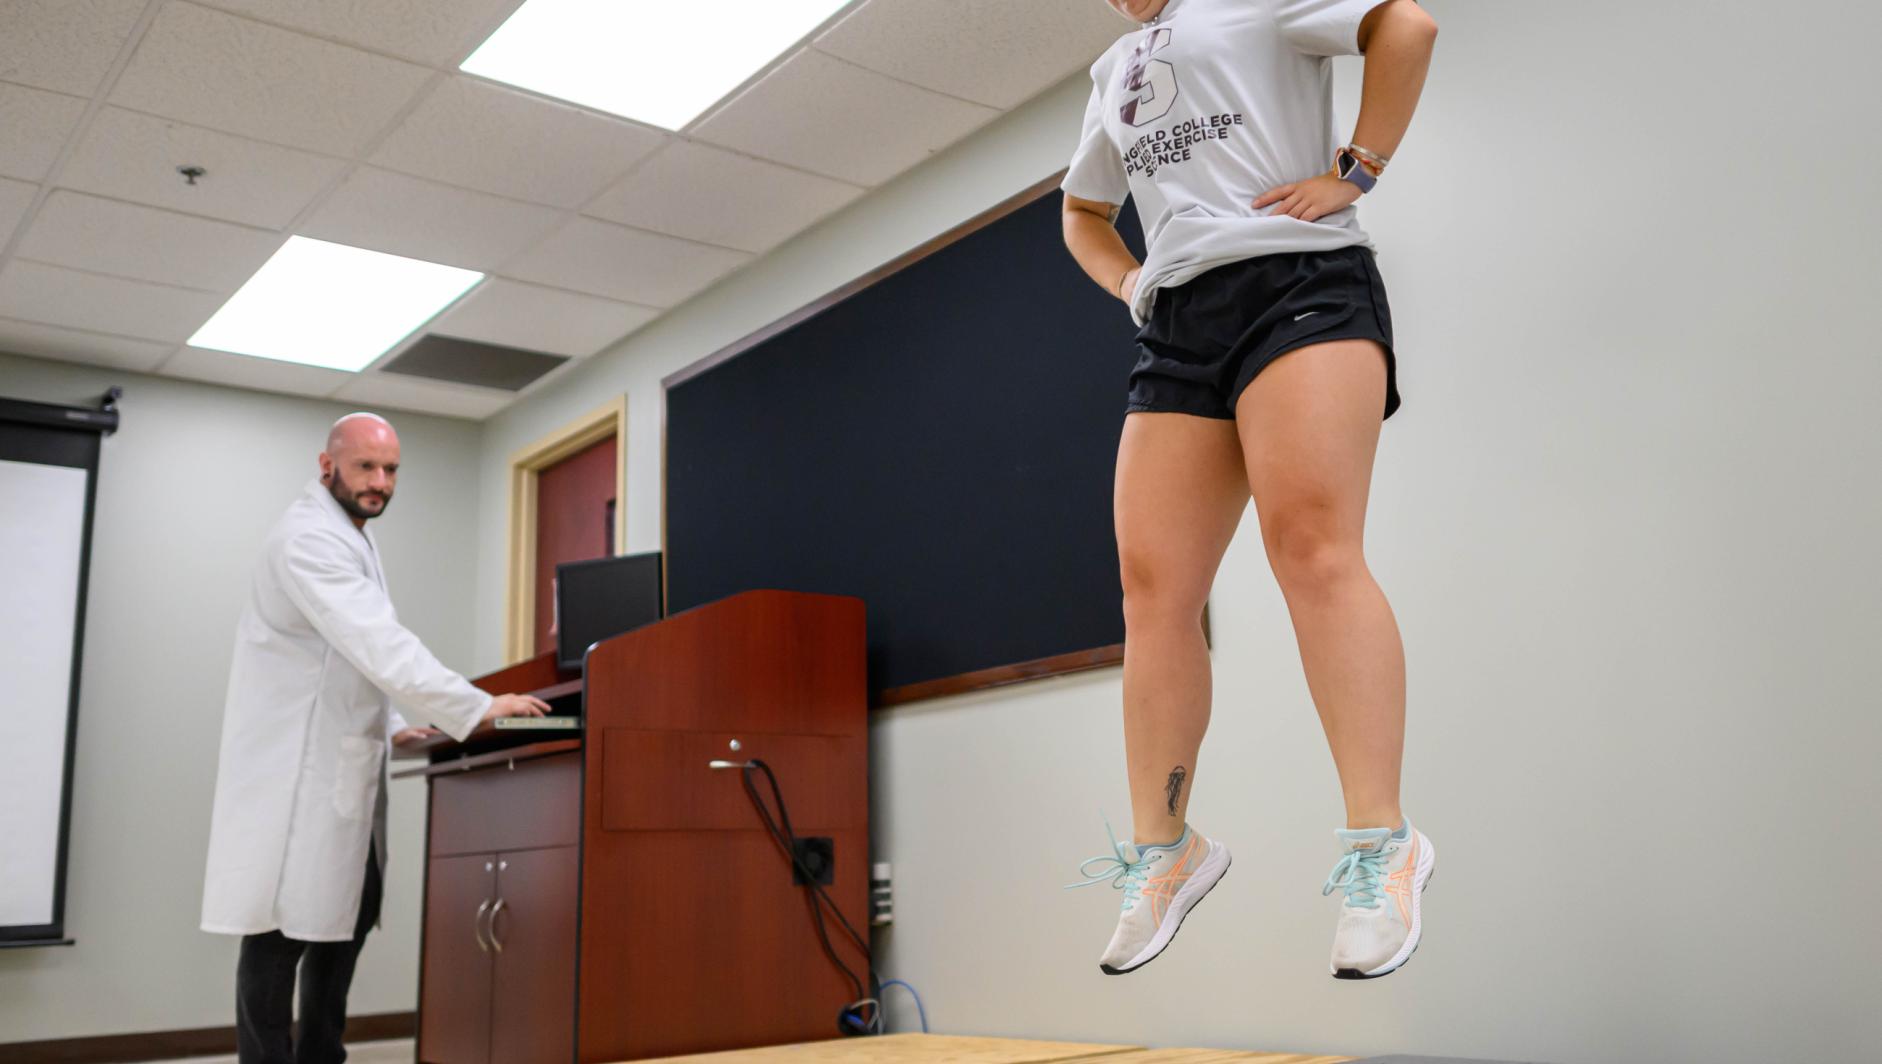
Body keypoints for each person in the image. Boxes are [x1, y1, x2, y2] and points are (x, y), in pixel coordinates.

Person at [1061, 0, 1439, 979]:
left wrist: (1354, 171)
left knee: (1310, 547)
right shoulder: (1112, 71)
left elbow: (1406, 26)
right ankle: (1166, 847)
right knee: (1152, 589)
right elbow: (1082, 211)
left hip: (1298, 281)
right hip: (1181, 318)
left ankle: (1381, 844)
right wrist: (1130, 282)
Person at [200, 413, 548, 1063]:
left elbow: (342, 660)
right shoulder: (308, 539)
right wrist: (473, 707)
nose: (380, 482)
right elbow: (378, 642)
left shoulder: (349, 535)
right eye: (366, 466)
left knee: (347, 917)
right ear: (327, 464)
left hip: (335, 768)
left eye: (390, 470)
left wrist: (393, 723)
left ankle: (323, 1055)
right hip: (292, 777)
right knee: (278, 935)